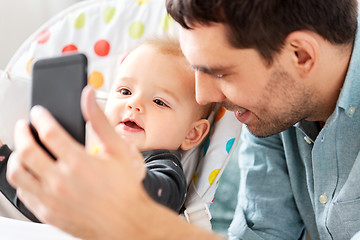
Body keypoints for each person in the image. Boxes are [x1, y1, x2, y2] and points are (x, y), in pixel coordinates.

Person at [5, 0, 360, 239]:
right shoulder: (271, 117)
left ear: (300, 55)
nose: (204, 97)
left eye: (218, 73)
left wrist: (132, 217)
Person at [0, 37, 212, 221]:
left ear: (192, 134)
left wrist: (122, 177)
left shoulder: (162, 165)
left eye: (159, 101)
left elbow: (164, 199)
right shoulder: (88, 144)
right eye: (125, 91)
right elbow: (41, 205)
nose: (134, 103)